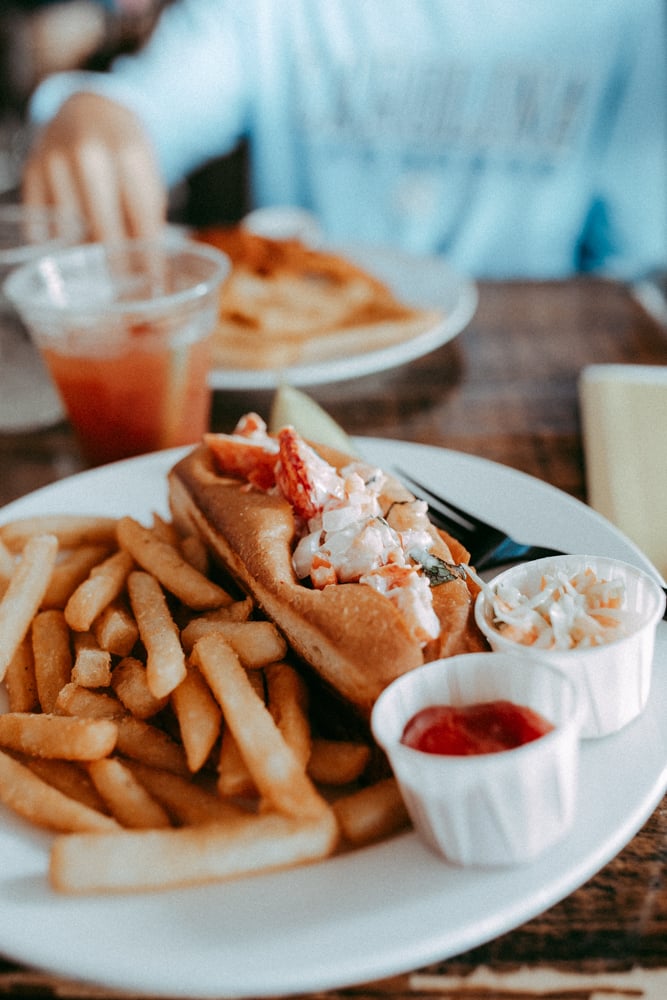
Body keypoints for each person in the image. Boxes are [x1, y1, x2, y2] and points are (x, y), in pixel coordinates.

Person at [21, 0, 667, 279]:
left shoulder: (628, 16)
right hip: (298, 377)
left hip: (523, 383)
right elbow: (149, 106)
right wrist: (90, 111)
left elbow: (634, 252)